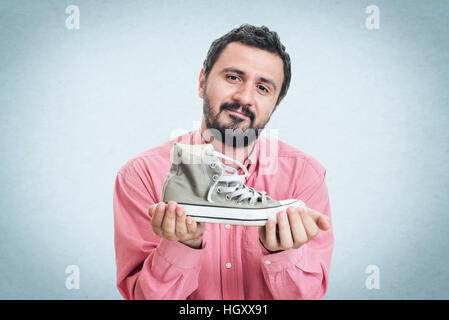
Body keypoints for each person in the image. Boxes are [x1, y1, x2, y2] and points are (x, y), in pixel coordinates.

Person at [113, 24, 334, 300]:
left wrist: (282, 255)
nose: (244, 97)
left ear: (275, 105)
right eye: (233, 77)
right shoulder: (141, 174)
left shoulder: (305, 176)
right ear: (202, 82)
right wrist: (183, 246)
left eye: (263, 88)